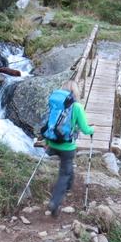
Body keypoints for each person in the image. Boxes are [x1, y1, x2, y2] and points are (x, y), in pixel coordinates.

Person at [45, 80, 94, 217]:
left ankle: (68, 187)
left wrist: (46, 141)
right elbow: (85, 128)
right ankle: (55, 202)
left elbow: (49, 123)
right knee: (64, 174)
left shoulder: (55, 104)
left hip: (53, 142)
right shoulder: (77, 107)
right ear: (75, 91)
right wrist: (93, 129)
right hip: (67, 146)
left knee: (67, 169)